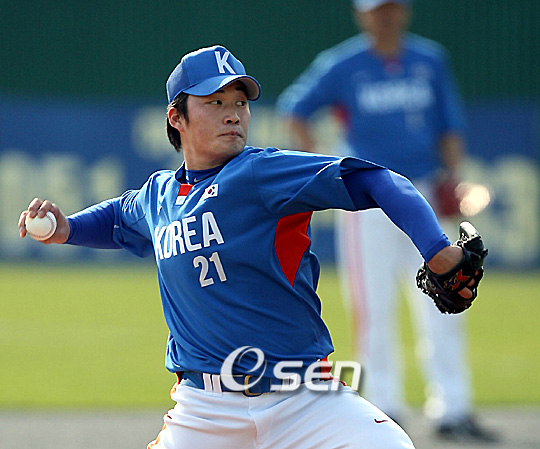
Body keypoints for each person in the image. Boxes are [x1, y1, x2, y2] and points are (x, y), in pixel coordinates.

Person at [19, 44, 482, 449]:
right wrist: (66, 228)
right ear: (176, 117)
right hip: (204, 411)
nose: (232, 113)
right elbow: (119, 217)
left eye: (240, 102)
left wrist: (437, 250)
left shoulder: (261, 173)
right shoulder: (158, 196)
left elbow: (381, 181)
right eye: (214, 101)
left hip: (305, 399)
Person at [277, 0, 498, 442]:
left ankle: (453, 408)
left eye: (392, 7)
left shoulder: (429, 60)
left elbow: (448, 126)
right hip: (368, 201)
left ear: (405, 11)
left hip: (425, 193)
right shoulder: (343, 64)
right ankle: (384, 408)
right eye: (378, 9)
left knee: (448, 296)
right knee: (373, 308)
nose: (386, 15)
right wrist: (323, 164)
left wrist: (453, 176)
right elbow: (293, 108)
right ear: (363, 15)